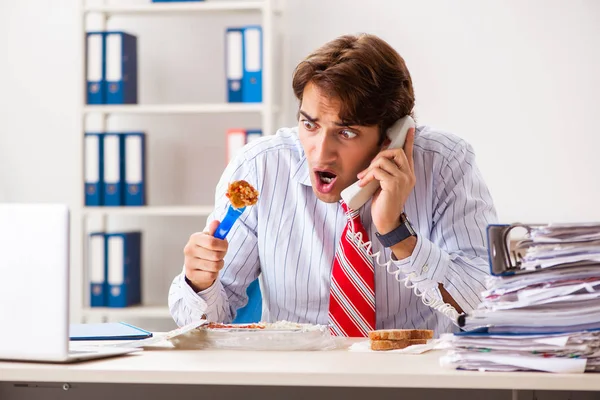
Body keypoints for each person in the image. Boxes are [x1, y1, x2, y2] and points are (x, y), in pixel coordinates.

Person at [168, 33, 497, 336]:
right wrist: (199, 284)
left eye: (346, 132)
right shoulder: (260, 168)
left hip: (410, 376)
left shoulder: (445, 163)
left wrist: (397, 233)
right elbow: (207, 323)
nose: (320, 152)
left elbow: (483, 307)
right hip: (297, 378)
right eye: (309, 124)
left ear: (390, 139)